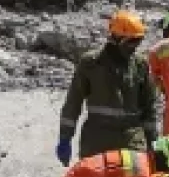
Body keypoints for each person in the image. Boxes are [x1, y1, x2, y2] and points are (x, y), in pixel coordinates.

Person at [59, 11, 158, 164]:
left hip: (131, 143)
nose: (135, 47)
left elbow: (149, 107)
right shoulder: (90, 63)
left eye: (138, 41)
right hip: (96, 142)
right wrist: (65, 137)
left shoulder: (140, 65)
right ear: (117, 39)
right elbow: (73, 102)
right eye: (131, 42)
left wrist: (153, 141)